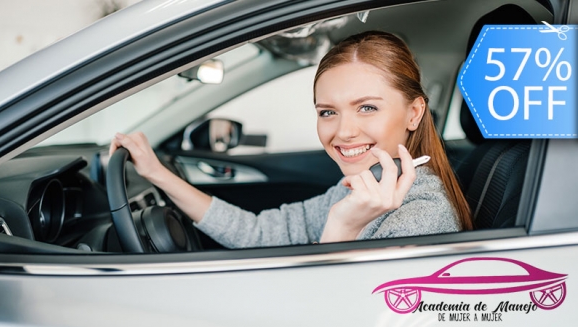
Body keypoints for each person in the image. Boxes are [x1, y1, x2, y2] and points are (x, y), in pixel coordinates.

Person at [110, 31, 473, 248]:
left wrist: (342, 228)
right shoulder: (364, 185)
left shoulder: (422, 216)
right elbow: (256, 232)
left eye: (366, 108)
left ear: (414, 113)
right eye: (328, 112)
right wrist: (158, 174)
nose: (343, 131)